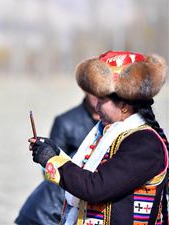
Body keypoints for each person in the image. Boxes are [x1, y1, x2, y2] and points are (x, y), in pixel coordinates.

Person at [29, 51, 168, 225]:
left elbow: (95, 187)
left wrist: (52, 160)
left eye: (102, 100)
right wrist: (55, 153)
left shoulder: (145, 143)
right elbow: (87, 175)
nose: (96, 106)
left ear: (124, 105)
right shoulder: (107, 132)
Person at [15, 93, 99, 225]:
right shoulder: (65, 122)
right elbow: (48, 169)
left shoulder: (112, 129)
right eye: (94, 91)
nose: (98, 96)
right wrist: (47, 156)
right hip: (49, 212)